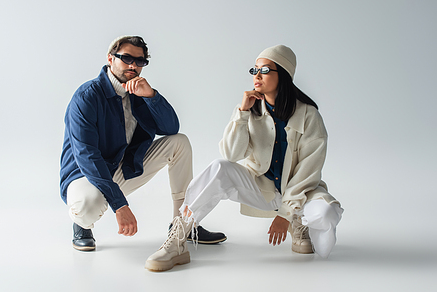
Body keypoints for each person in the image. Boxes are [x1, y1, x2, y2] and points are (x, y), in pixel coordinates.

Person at [145, 45, 344, 272]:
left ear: (284, 75)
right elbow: (231, 154)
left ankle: (299, 222)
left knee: (326, 215)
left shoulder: (309, 115)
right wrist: (242, 113)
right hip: (263, 189)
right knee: (219, 167)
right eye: (254, 70)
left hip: (302, 193)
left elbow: (309, 171)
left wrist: (286, 215)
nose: (257, 76)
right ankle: (179, 236)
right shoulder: (249, 108)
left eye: (265, 70)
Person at [60, 35, 226, 251]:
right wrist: (120, 205)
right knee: (87, 206)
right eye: (127, 58)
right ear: (110, 59)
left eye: (140, 61)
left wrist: (151, 96)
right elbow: (87, 156)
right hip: (85, 173)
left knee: (179, 143)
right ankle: (81, 225)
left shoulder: (139, 92)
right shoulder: (87, 96)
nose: (133, 65)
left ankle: (182, 224)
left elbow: (171, 129)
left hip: (122, 167)